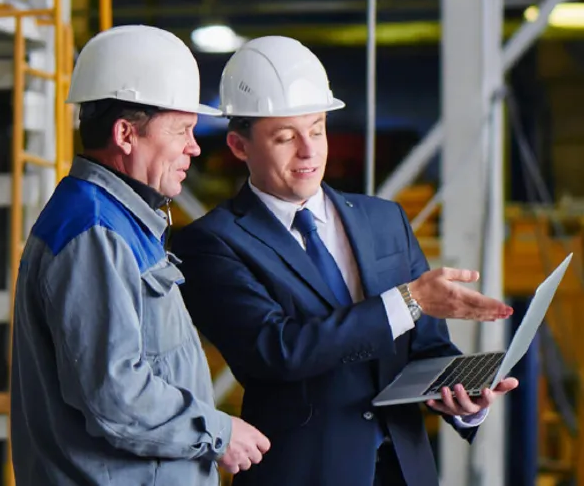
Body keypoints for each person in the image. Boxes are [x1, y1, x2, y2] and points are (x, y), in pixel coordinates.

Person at [169, 35, 518, 486]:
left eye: (317, 129)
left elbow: (427, 347)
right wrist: (407, 300)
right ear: (239, 146)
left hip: (405, 473)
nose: (309, 151)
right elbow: (278, 351)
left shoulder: (384, 219)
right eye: (285, 137)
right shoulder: (212, 243)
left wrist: (462, 397)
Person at [9, 25, 271, 485]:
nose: (194, 146)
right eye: (182, 130)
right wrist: (218, 432)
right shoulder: (93, 234)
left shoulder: (119, 220)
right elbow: (116, 396)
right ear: (126, 133)